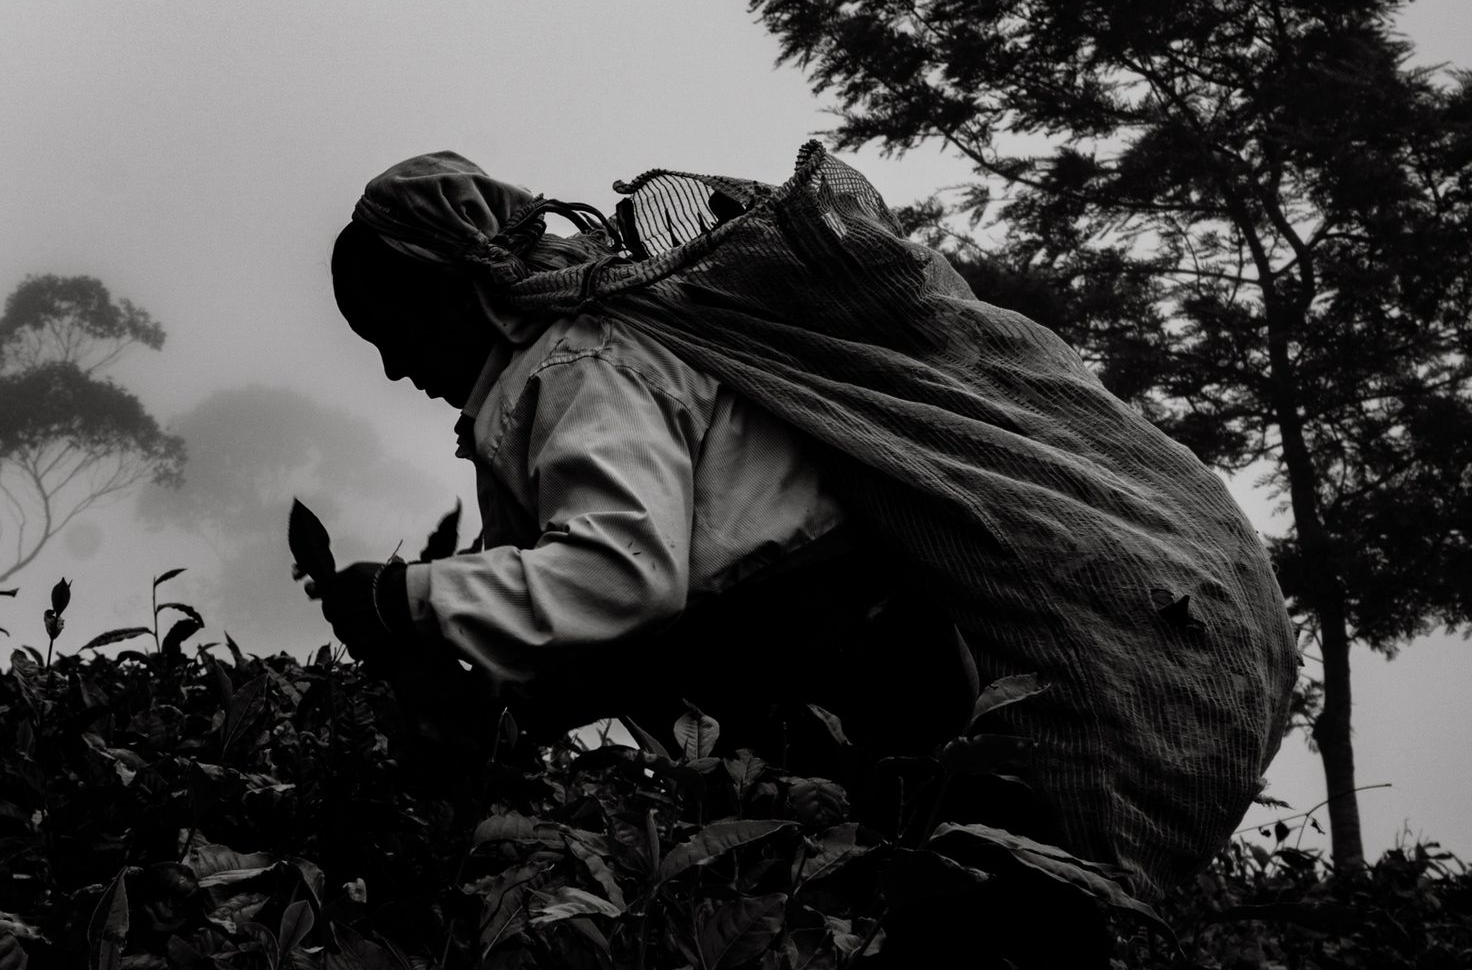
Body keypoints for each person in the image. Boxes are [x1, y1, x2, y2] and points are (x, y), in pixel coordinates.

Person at [308, 149, 1298, 904]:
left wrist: (409, 597)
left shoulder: (571, 370)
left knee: (931, 914)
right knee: (929, 908)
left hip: (832, 660)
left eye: (394, 331)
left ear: (449, 290)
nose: (396, 366)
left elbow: (620, 571)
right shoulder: (579, 359)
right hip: (846, 648)